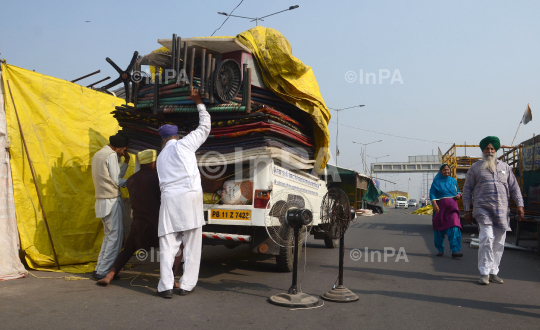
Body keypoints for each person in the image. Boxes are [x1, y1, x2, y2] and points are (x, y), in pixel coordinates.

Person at [96, 150, 183, 286]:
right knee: (177, 247)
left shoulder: (131, 180)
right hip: (156, 225)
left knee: (128, 250)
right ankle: (170, 279)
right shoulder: (157, 178)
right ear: (153, 162)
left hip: (138, 225)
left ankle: (109, 275)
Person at [156, 89, 210, 298]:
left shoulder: (160, 158)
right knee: (192, 244)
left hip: (169, 201)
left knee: (168, 245)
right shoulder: (184, 145)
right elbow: (205, 127)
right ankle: (186, 285)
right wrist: (199, 103)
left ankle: (166, 286)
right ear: (177, 135)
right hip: (189, 197)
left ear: (163, 139)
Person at [462, 136, 524, 285]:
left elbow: (514, 188)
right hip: (483, 209)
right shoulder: (475, 168)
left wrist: (520, 205)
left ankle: (493, 271)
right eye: (487, 149)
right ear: (482, 151)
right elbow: (467, 189)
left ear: (495, 151)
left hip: (502, 211)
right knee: (487, 238)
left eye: (492, 149)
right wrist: (467, 211)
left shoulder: (505, 167)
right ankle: (484, 272)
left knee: (499, 242)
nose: (489, 151)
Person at [91, 133, 130, 281]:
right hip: (111, 201)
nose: (124, 152)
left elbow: (112, 176)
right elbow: (117, 181)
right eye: (124, 149)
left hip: (101, 201)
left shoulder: (99, 154)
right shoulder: (112, 155)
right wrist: (134, 181)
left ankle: (99, 269)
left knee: (108, 237)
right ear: (119, 147)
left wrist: (125, 162)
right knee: (115, 239)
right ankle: (103, 272)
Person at [430, 164, 463, 258]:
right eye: (444, 170)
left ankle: (455, 251)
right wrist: (435, 204)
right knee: (439, 229)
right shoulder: (436, 182)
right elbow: (432, 194)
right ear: (441, 171)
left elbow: (458, 191)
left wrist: (459, 195)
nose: (446, 172)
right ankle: (440, 249)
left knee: (455, 227)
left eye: (448, 170)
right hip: (440, 209)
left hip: (453, 209)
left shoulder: (453, 181)